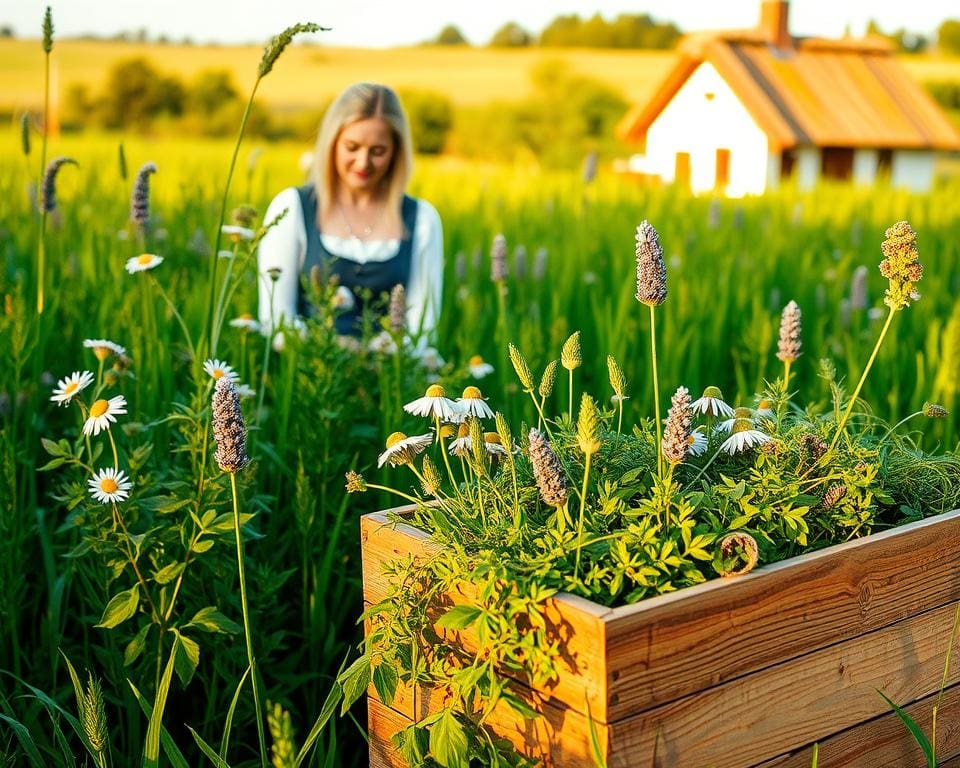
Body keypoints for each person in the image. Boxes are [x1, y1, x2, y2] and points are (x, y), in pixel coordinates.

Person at [257, 83, 443, 346]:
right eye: (352, 147)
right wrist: (335, 352)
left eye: (378, 151)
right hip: (310, 374)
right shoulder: (292, 208)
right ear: (332, 143)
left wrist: (375, 356)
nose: (363, 162)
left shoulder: (422, 219)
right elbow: (275, 321)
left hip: (392, 378)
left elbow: (423, 328)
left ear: (396, 153)